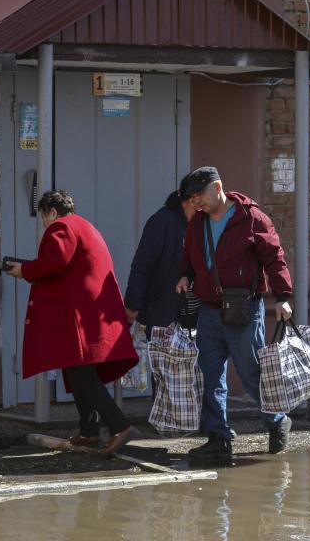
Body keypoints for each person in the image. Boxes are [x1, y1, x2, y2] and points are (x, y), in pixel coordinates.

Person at [7, 190, 139, 457]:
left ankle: (120, 426)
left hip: (79, 316)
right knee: (77, 371)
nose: (45, 224)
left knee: (82, 374)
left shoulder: (61, 227)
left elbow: (55, 262)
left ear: (52, 212)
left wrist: (25, 271)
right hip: (93, 312)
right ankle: (89, 432)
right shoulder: (86, 226)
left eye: (44, 218)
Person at [176, 166, 293, 460]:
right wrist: (185, 275)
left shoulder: (251, 218)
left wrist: (282, 297)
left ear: (217, 188)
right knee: (210, 376)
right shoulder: (197, 223)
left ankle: (278, 421)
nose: (195, 202)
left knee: (252, 374)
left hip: (244, 309)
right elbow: (189, 255)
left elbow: (274, 259)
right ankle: (218, 438)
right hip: (209, 311)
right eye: (191, 197)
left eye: (199, 195)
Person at [124, 175, 199, 338]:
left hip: (194, 318)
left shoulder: (202, 224)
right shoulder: (162, 221)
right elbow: (142, 266)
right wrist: (132, 305)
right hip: (162, 314)